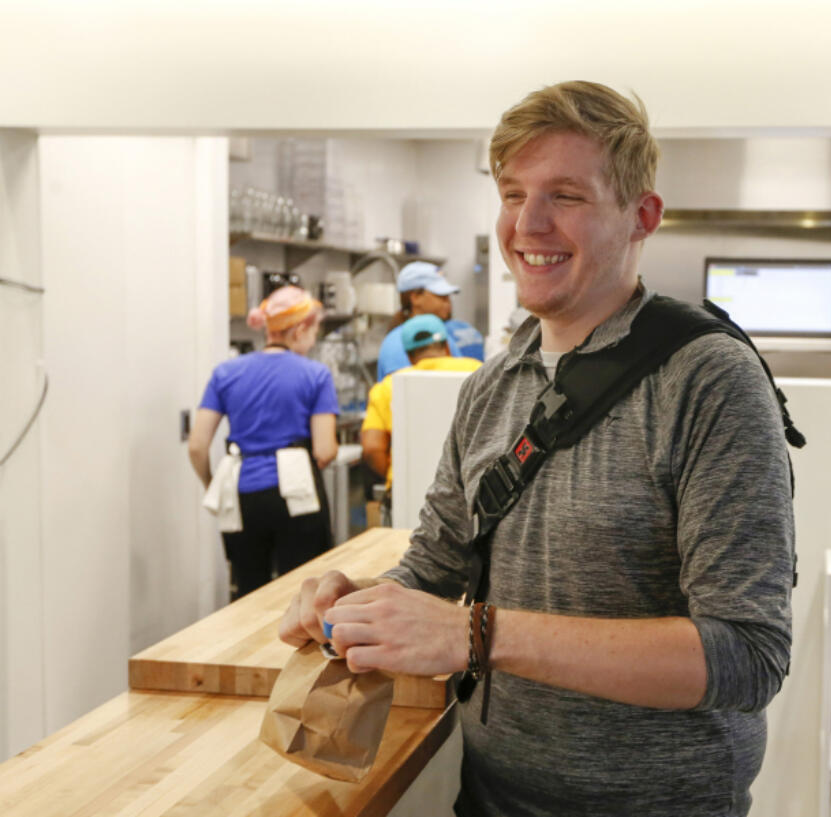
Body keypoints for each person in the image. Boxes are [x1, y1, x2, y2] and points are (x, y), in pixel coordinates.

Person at [279, 81, 794, 816]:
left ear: (641, 215)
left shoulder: (708, 380)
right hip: (493, 796)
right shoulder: (493, 386)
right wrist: (362, 603)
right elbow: (436, 564)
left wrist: (477, 632)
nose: (528, 223)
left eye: (567, 196)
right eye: (513, 192)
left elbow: (747, 653)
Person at [189, 285, 340, 600]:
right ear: (300, 329)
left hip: (242, 492)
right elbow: (325, 451)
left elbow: (197, 446)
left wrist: (210, 484)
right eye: (314, 331)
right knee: (305, 594)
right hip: (297, 492)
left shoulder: (226, 372)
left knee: (249, 594)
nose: (313, 340)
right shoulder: (316, 374)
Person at [360, 313, 481, 514]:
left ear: (408, 356)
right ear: (447, 346)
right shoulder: (479, 372)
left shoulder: (388, 386)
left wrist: (397, 476)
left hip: (406, 496)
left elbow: (372, 448)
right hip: (470, 491)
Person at [376, 261, 485, 380]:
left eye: (448, 296)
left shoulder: (444, 336)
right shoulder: (397, 343)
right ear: (415, 298)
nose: (448, 302)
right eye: (441, 296)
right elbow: (404, 391)